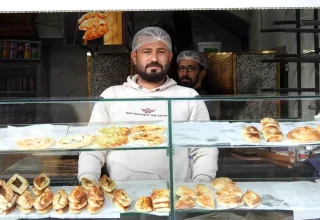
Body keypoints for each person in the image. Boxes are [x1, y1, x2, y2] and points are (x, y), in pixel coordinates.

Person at [78, 27, 218, 184]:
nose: (154, 58)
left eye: (161, 52)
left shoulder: (188, 97)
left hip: (175, 196)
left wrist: (202, 183)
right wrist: (88, 180)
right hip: (121, 196)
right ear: (134, 56)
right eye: (147, 52)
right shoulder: (112, 96)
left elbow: (205, 148)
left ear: (170, 57)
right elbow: (94, 146)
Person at [177, 50, 220, 120]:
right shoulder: (174, 95)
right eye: (181, 68)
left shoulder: (207, 101)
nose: (184, 73)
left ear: (202, 74)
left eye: (191, 68)